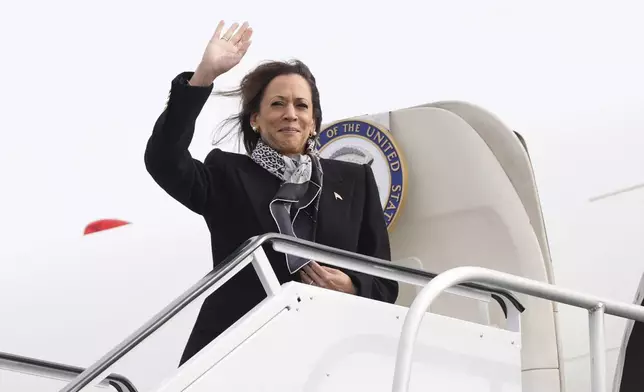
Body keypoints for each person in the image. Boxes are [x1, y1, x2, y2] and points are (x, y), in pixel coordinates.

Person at [144, 20, 399, 366]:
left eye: (301, 106)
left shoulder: (355, 181)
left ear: (314, 122)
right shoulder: (227, 174)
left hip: (331, 356)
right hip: (240, 350)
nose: (290, 114)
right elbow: (163, 160)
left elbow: (386, 283)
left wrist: (353, 286)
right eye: (277, 104)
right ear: (255, 119)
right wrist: (203, 76)